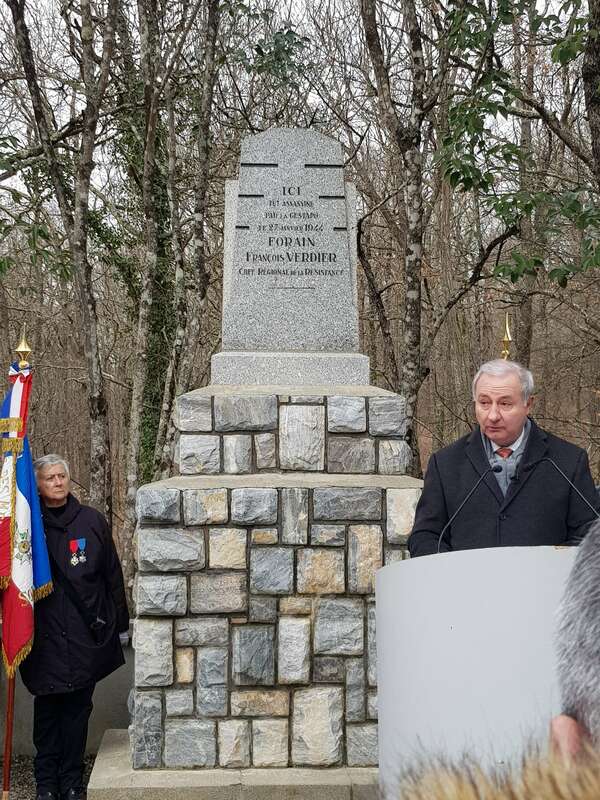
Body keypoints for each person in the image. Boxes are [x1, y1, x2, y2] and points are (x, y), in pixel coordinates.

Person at [20, 455, 129, 800]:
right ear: (37, 485)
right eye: (49, 478)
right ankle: (45, 783)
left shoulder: (91, 521)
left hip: (84, 637)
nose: (57, 482)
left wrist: (120, 624)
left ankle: (71, 782)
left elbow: (112, 576)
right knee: (48, 714)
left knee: (77, 712)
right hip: (44, 640)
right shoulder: (27, 527)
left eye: (61, 476)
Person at [408, 359, 598, 557]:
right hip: (465, 577)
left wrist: (550, 564)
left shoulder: (568, 462)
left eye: (505, 404)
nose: (493, 415)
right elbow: (425, 536)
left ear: (528, 404)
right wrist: (454, 569)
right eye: (484, 403)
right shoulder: (445, 464)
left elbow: (589, 536)